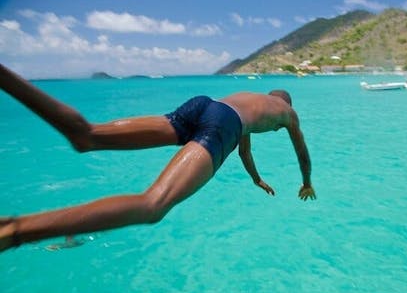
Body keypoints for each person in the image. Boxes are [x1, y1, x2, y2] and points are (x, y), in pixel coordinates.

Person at [0, 64, 316, 252]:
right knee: (153, 205)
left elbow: (244, 150)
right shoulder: (287, 112)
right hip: (223, 123)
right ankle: (14, 231)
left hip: (204, 105)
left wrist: (256, 179)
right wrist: (306, 182)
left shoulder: (253, 102)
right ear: (284, 103)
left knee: (88, 136)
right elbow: (302, 152)